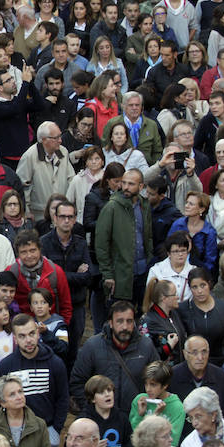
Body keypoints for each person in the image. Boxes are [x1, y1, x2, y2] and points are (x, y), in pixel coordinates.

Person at [0, 313, 69, 444]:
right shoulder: (5, 367)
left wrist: (57, 428)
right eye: (22, 336)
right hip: (16, 431)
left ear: (38, 334)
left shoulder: (55, 363)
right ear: (15, 339)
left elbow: (63, 398)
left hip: (49, 428)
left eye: (31, 334)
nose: (28, 340)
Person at [71, 301, 160, 410]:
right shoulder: (92, 346)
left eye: (129, 321)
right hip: (102, 419)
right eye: (119, 321)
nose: (125, 327)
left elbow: (158, 380)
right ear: (111, 323)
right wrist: (93, 410)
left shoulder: (146, 346)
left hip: (136, 417)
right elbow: (77, 383)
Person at [95, 169, 152, 303]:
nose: (126, 187)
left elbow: (148, 237)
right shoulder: (112, 207)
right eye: (124, 183)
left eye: (131, 184)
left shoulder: (144, 205)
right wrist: (107, 273)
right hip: (120, 274)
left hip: (143, 270)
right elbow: (101, 244)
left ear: (141, 186)